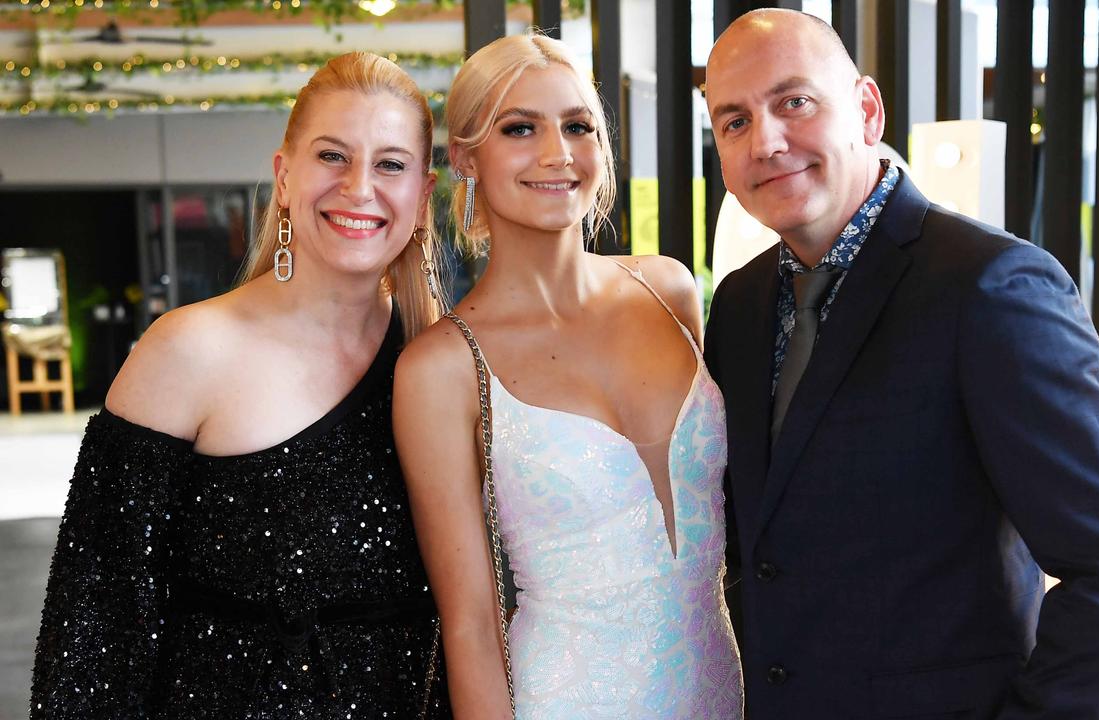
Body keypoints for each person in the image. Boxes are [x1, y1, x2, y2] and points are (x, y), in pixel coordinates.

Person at [703, 9, 1099, 719]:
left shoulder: (990, 286)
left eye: (793, 102)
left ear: (866, 110)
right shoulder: (739, 306)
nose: (766, 141)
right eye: (734, 121)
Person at [30, 52, 453, 719]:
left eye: (390, 164)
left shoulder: (436, 363)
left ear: (423, 197)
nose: (359, 188)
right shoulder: (189, 351)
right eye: (331, 156)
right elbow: (94, 639)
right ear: (285, 178)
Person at [394, 33, 743, 719]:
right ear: (466, 158)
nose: (557, 153)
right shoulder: (442, 367)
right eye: (519, 128)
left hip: (724, 693)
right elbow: (469, 623)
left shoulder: (668, 290)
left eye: (577, 126)